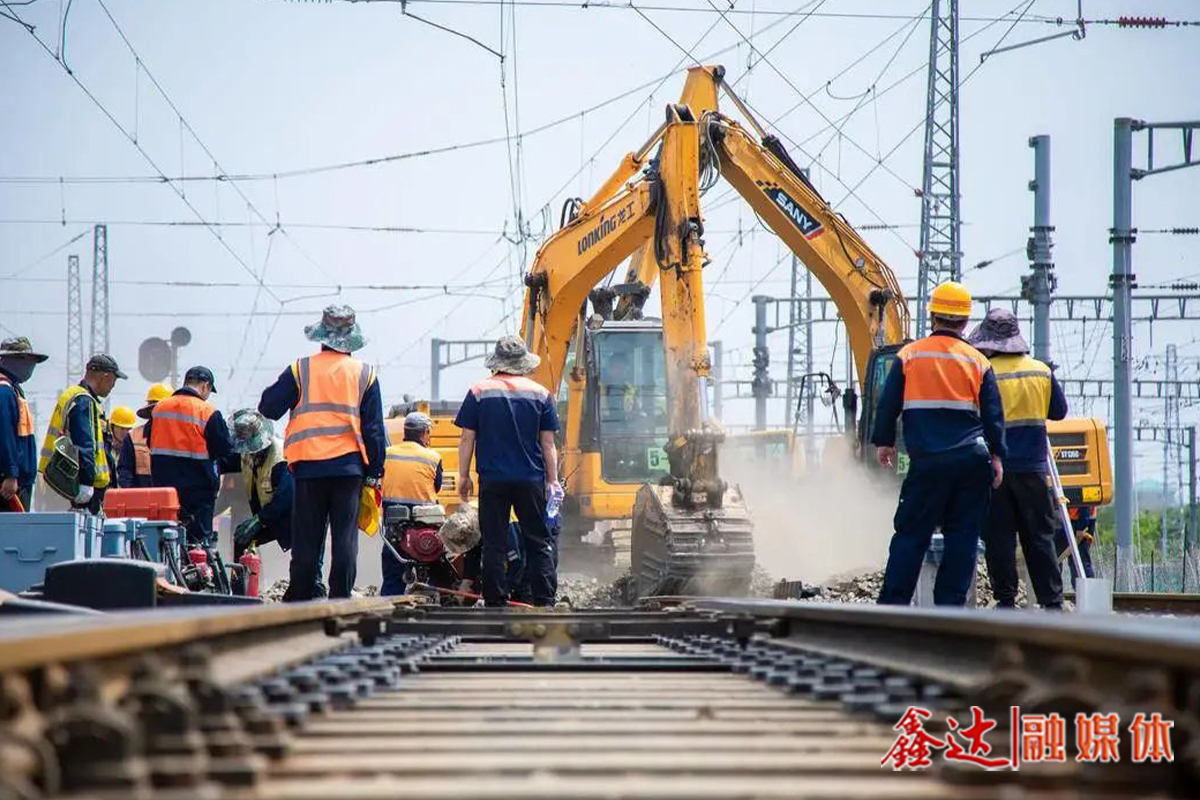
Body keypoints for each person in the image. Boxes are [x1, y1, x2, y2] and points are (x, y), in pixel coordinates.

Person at [872, 282, 1007, 606]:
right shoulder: (978, 362)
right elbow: (993, 415)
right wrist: (998, 456)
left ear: (932, 315)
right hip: (971, 462)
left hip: (928, 463)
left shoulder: (909, 355)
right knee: (963, 537)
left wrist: (884, 442)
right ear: (964, 322)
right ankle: (949, 610)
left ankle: (893, 607)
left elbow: (887, 404)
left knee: (910, 535)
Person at [259, 305, 387, 601]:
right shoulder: (365, 374)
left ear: (321, 337)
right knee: (344, 540)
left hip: (309, 468)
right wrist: (375, 472)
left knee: (307, 539)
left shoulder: (300, 369)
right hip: (349, 470)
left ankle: (301, 596)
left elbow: (267, 407)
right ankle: (340, 597)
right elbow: (374, 430)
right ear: (352, 340)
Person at [968, 309, 1069, 609]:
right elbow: (1059, 412)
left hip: (995, 470)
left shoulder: (983, 373)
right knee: (1039, 537)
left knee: (999, 539)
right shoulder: (1041, 371)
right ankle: (1051, 601)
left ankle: (1006, 599)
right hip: (1034, 470)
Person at [454, 335, 560, 607]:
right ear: (523, 362)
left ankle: (496, 601)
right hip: (530, 479)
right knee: (537, 541)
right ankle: (544, 600)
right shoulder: (541, 394)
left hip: (493, 479)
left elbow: (467, 439)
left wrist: (464, 476)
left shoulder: (479, 391)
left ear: (496, 363)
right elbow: (548, 444)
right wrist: (553, 481)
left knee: (494, 543)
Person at [149, 366, 233, 545]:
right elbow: (224, 449)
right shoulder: (207, 412)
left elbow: (150, 442)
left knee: (165, 542)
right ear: (205, 386)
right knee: (198, 548)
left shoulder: (159, 409)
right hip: (198, 494)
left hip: (164, 493)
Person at [38, 354, 126, 514]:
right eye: (114, 380)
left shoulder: (72, 395)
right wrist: (86, 482)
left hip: (59, 480)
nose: (113, 385)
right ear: (105, 376)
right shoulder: (83, 400)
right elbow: (84, 444)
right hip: (75, 487)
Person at [380, 411, 443, 595]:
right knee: (434, 571)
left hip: (394, 527)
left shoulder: (387, 454)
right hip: (425, 528)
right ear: (424, 433)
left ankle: (389, 611)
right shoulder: (433, 457)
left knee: (392, 577)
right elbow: (436, 487)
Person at [220, 409, 294, 563]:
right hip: (268, 515)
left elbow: (285, 500)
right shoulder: (245, 453)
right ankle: (240, 584)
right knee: (241, 538)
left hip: (297, 517)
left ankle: (313, 584)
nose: (250, 454)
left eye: (253, 450)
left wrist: (259, 520)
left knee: (306, 559)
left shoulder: (282, 458)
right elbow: (222, 463)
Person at [0, 337, 48, 512]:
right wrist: (10, 473)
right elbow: (4, 434)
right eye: (26, 360)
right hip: (9, 485)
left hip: (18, 481)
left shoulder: (12, 389)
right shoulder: (4, 391)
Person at [118, 383, 170, 488]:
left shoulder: (179, 436)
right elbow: (125, 471)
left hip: (172, 501)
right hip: (141, 500)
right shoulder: (133, 437)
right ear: (150, 410)